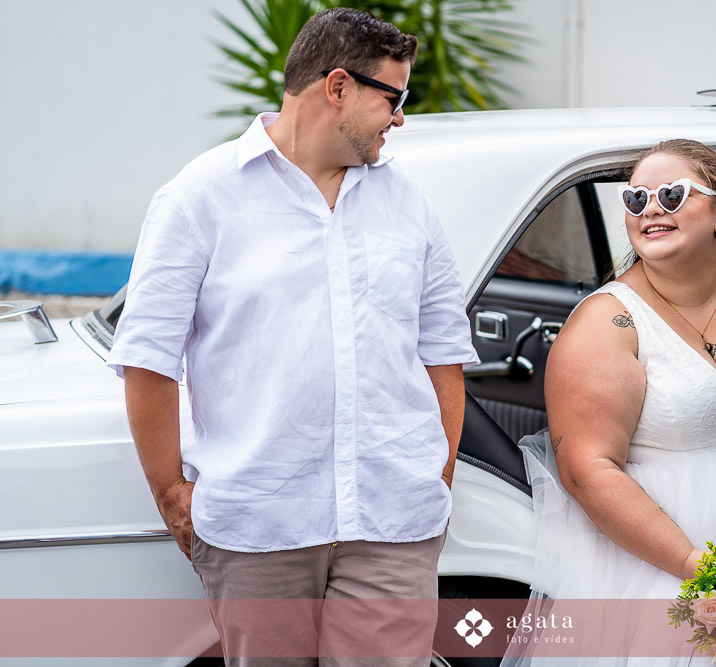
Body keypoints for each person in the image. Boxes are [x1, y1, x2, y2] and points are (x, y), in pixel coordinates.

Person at [107, 8, 478, 666]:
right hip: (257, 531)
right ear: (338, 88)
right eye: (393, 98)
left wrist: (434, 480)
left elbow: (443, 355)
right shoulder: (199, 197)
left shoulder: (409, 205)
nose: (400, 118)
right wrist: (173, 495)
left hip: (392, 528)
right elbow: (148, 361)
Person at [502, 139, 716, 666]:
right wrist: (708, 576)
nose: (650, 209)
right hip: (662, 563)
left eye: (671, 194)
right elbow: (588, 468)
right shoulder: (604, 323)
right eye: (635, 199)